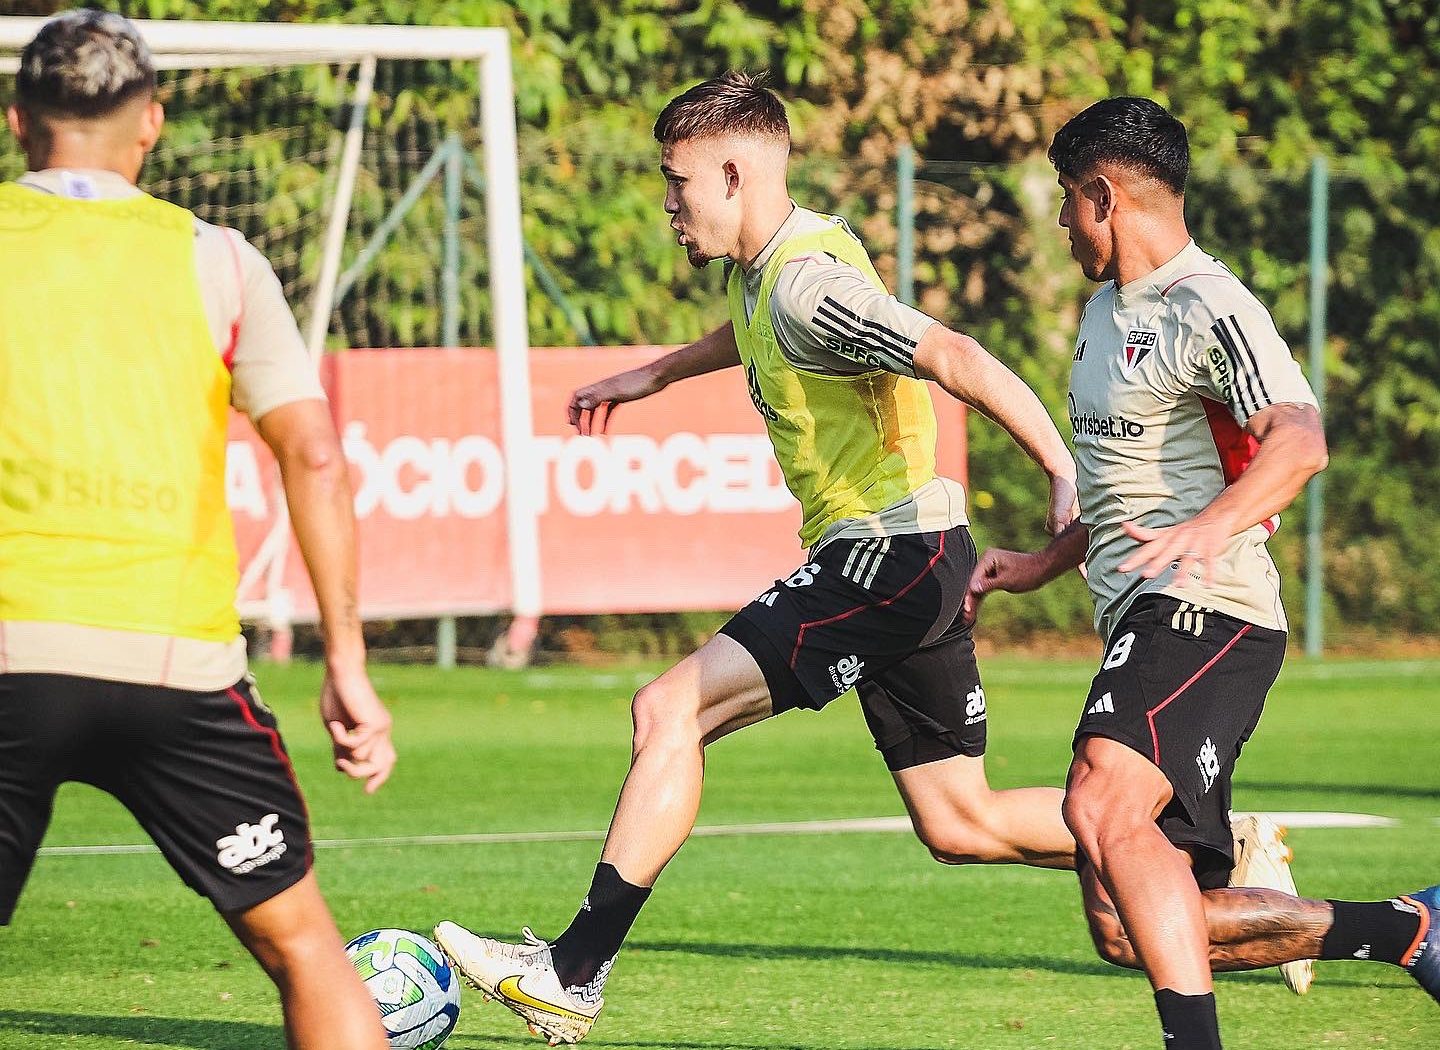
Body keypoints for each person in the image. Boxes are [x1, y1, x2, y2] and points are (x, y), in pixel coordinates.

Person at [433, 70, 1083, 1044]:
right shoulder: (772, 271)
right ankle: (1202, 848)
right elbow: (746, 329)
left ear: (733, 173)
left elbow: (959, 359)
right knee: (962, 823)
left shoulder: (812, 287)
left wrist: (1062, 475)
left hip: (885, 555)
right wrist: (651, 374)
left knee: (668, 709)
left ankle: (571, 972)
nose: (666, 203)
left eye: (676, 180)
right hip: (915, 557)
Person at [965, 95, 1438, 1050]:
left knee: (1097, 800)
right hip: (1149, 609)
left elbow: (1300, 443)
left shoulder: (1207, 304)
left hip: (1210, 609)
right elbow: (1130, 492)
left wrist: (1209, 529)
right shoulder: (1105, 313)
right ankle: (1411, 931)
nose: (1060, 222)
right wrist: (1044, 564)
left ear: (1104, 197)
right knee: (1125, 925)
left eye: (1066, 202)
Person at [0, 13, 396, 1049]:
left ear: (15, 124)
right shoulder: (216, 257)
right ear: (153, 125)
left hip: (7, 651)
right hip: (176, 664)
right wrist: (346, 661)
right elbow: (312, 456)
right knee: (304, 945)